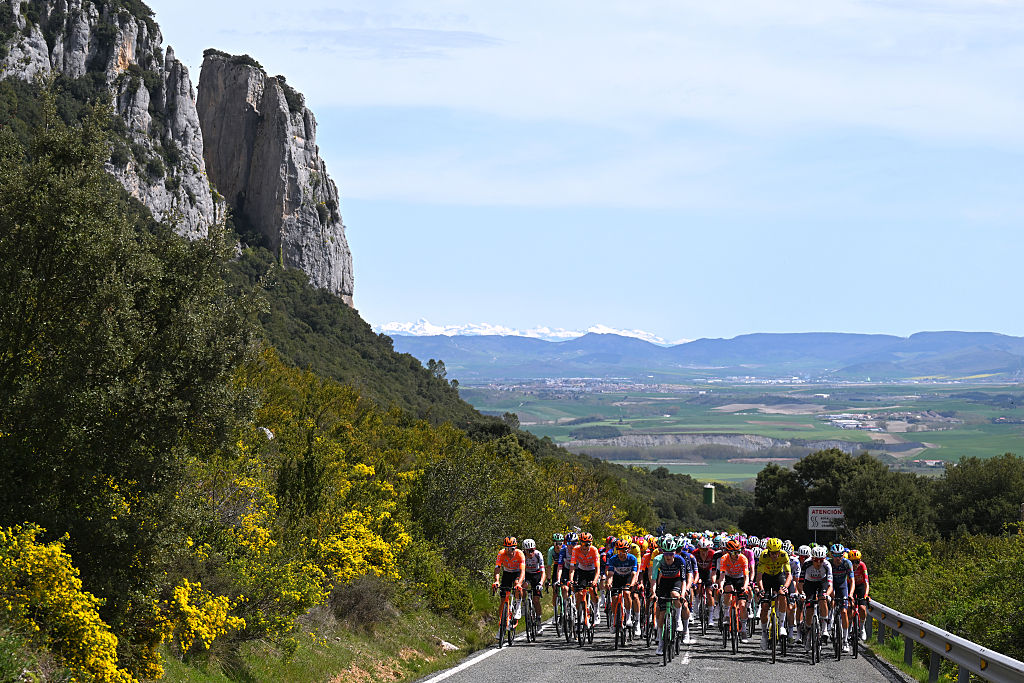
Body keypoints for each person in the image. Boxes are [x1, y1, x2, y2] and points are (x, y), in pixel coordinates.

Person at [651, 539, 688, 655]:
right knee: (661, 614)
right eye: (665, 553)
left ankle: (677, 621)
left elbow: (683, 580)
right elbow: (654, 580)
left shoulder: (680, 560)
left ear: (675, 553)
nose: (668, 556)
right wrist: (653, 593)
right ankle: (661, 643)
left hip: (676, 581)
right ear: (662, 552)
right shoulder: (658, 560)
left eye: (671, 553)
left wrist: (682, 594)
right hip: (664, 582)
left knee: (675, 595)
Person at [755, 537, 792, 650]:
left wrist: (785, 587)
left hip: (778, 577)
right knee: (765, 606)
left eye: (776, 553)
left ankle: (781, 626)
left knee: (782, 594)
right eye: (772, 553)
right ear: (768, 551)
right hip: (766, 578)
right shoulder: (764, 555)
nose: (775, 556)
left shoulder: (784, 555)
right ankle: (764, 634)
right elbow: (759, 576)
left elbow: (789, 575)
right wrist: (761, 589)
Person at [716, 539, 750, 642]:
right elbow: (721, 576)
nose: (737, 554)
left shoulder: (743, 559)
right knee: (728, 589)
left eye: (739, 551)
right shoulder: (724, 559)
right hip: (729, 577)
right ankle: (726, 613)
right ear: (729, 552)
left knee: (743, 605)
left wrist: (745, 586)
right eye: (735, 552)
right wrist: (721, 587)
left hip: (740, 578)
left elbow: (746, 576)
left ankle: (743, 630)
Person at [799, 545, 833, 646]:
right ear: (812, 558)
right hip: (809, 584)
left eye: (821, 560)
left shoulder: (827, 565)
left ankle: (825, 629)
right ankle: (808, 631)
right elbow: (800, 583)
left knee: (823, 598)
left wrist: (827, 594)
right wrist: (802, 593)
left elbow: (830, 585)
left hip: (822, 583)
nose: (818, 563)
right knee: (809, 609)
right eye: (816, 560)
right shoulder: (806, 564)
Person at [567, 532, 602, 627]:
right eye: (582, 543)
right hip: (582, 571)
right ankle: (582, 613)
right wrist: (570, 580)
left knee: (591, 590)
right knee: (580, 593)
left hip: (592, 571)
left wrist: (595, 581)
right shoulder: (576, 549)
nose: (584, 547)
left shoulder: (594, 550)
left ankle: (596, 610)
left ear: (590, 544)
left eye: (586, 544)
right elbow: (572, 567)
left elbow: (598, 569)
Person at [604, 539, 639, 633]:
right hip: (617, 578)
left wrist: (632, 585)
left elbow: (634, 574)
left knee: (627, 593)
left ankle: (628, 617)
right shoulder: (613, 559)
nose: (621, 553)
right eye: (619, 551)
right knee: (615, 598)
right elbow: (610, 574)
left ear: (627, 550)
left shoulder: (632, 558)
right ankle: (615, 621)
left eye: (623, 551)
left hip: (628, 578)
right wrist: (608, 583)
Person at [493, 536, 525, 633]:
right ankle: (501, 626)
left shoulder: (520, 554)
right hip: (507, 573)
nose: (508, 551)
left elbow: (523, 571)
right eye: (506, 548)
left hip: (517, 573)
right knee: (503, 601)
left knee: (516, 585)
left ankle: (518, 604)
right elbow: (497, 568)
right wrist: (496, 581)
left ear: (515, 548)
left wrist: (519, 583)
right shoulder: (501, 553)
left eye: (511, 549)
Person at [829, 543, 855, 652]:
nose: (837, 558)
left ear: (843, 555)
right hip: (831, 586)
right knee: (831, 602)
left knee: (844, 611)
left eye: (840, 555)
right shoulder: (829, 563)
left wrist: (851, 595)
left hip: (842, 586)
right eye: (835, 555)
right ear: (832, 555)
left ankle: (845, 640)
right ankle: (830, 620)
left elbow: (852, 581)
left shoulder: (847, 563)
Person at [522, 538, 546, 633]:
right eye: (528, 551)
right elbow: (520, 571)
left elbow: (543, 571)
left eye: (532, 550)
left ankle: (539, 620)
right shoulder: (522, 555)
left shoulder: (538, 554)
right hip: (526, 574)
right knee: (523, 587)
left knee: (536, 600)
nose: (530, 552)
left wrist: (541, 583)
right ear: (524, 550)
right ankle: (524, 604)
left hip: (536, 575)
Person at [849, 548, 870, 640]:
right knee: (851, 608)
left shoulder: (862, 566)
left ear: (860, 561)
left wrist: (866, 594)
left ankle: (862, 628)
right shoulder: (847, 566)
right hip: (850, 587)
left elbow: (866, 582)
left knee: (862, 608)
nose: (855, 565)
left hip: (860, 586)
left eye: (857, 562)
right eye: (852, 562)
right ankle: (849, 629)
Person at [547, 533, 564, 615]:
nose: (558, 545)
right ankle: (555, 613)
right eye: (556, 543)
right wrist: (548, 579)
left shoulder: (565, 549)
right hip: (556, 566)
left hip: (565, 567)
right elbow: (549, 566)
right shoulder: (551, 550)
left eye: (560, 543)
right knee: (555, 589)